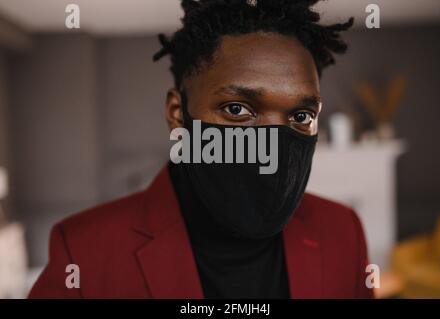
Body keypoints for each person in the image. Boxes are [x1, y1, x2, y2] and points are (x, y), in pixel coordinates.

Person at [29, 0, 374, 299]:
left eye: (301, 115)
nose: (273, 144)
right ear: (178, 115)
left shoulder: (343, 232)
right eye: (238, 109)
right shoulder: (84, 249)